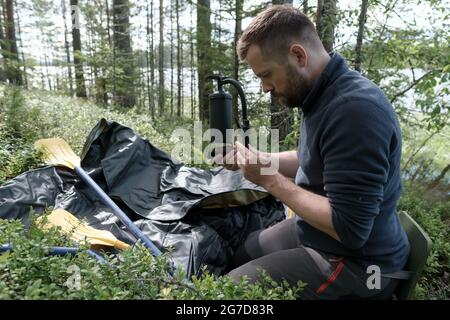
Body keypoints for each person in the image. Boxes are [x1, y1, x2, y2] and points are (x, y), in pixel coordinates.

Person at [213, 4, 410, 299]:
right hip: (323, 238)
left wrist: (269, 180)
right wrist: (261, 161)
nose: (265, 87)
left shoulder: (354, 112)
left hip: (361, 266)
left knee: (225, 295)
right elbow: (313, 158)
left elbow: (350, 230)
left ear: (298, 55)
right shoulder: (322, 93)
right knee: (243, 249)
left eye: (266, 74)